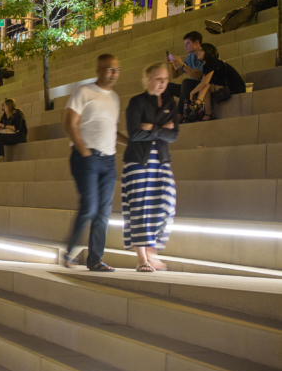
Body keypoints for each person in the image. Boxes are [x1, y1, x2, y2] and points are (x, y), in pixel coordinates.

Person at [63, 54, 128, 272]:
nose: (114, 73)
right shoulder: (84, 92)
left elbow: (111, 129)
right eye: (110, 69)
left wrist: (128, 142)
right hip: (87, 158)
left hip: (109, 161)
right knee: (90, 207)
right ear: (98, 69)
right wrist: (84, 150)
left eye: (117, 70)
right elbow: (69, 123)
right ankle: (69, 251)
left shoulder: (115, 98)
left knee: (104, 212)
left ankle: (95, 259)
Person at [122, 62, 178, 273]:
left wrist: (151, 128)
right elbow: (135, 134)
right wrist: (161, 129)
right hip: (137, 161)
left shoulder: (170, 103)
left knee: (167, 203)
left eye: (165, 78)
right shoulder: (137, 102)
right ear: (147, 80)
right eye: (158, 78)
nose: (163, 82)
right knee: (140, 208)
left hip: (161, 160)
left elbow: (174, 134)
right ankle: (142, 259)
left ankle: (152, 250)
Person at [189, 42, 247, 121]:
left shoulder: (212, 62)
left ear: (207, 52)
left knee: (206, 85)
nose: (197, 52)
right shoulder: (209, 64)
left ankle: (208, 113)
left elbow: (205, 83)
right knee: (206, 85)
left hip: (235, 89)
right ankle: (203, 109)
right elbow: (204, 82)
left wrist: (192, 92)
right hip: (230, 88)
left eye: (201, 50)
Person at [206, 0, 277, 34]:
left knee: (243, 12)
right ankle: (219, 23)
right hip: (256, 3)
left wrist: (257, 1)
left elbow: (270, 0)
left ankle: (224, 29)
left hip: (260, 5)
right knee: (232, 12)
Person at [165, 31, 204, 116]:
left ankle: (180, 114)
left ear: (196, 42)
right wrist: (171, 65)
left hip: (202, 89)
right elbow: (175, 75)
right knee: (167, 86)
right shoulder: (190, 57)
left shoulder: (206, 53)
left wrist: (181, 64)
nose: (185, 46)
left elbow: (198, 75)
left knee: (186, 83)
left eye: (187, 43)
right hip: (189, 89)